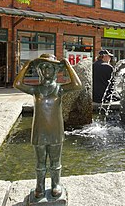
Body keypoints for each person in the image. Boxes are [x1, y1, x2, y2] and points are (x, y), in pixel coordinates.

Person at [14, 53, 82, 199]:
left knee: (55, 162)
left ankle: (55, 184)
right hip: (39, 131)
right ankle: (40, 186)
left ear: (56, 71)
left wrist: (68, 66)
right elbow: (17, 84)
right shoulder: (35, 89)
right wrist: (27, 65)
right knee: (40, 162)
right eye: (43, 67)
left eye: (50, 67)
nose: (46, 71)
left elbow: (77, 85)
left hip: (56, 131)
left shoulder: (59, 89)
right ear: (39, 71)